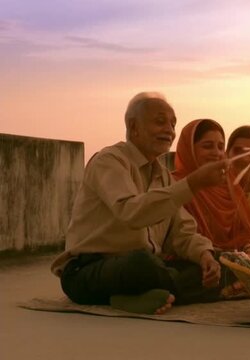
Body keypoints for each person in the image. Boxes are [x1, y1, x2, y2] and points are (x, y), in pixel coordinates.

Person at [50, 92, 233, 315]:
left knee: (225, 263)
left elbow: (182, 234)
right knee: (141, 265)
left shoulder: (164, 176)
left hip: (150, 268)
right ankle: (170, 291)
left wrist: (205, 255)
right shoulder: (109, 161)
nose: (169, 130)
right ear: (133, 126)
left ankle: (139, 296)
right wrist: (192, 183)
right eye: (160, 122)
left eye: (173, 124)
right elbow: (131, 212)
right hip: (91, 270)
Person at [173, 119, 250, 253]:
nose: (216, 153)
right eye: (207, 146)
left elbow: (245, 231)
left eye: (220, 147)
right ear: (189, 148)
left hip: (234, 261)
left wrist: (248, 245)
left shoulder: (228, 185)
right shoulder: (175, 185)